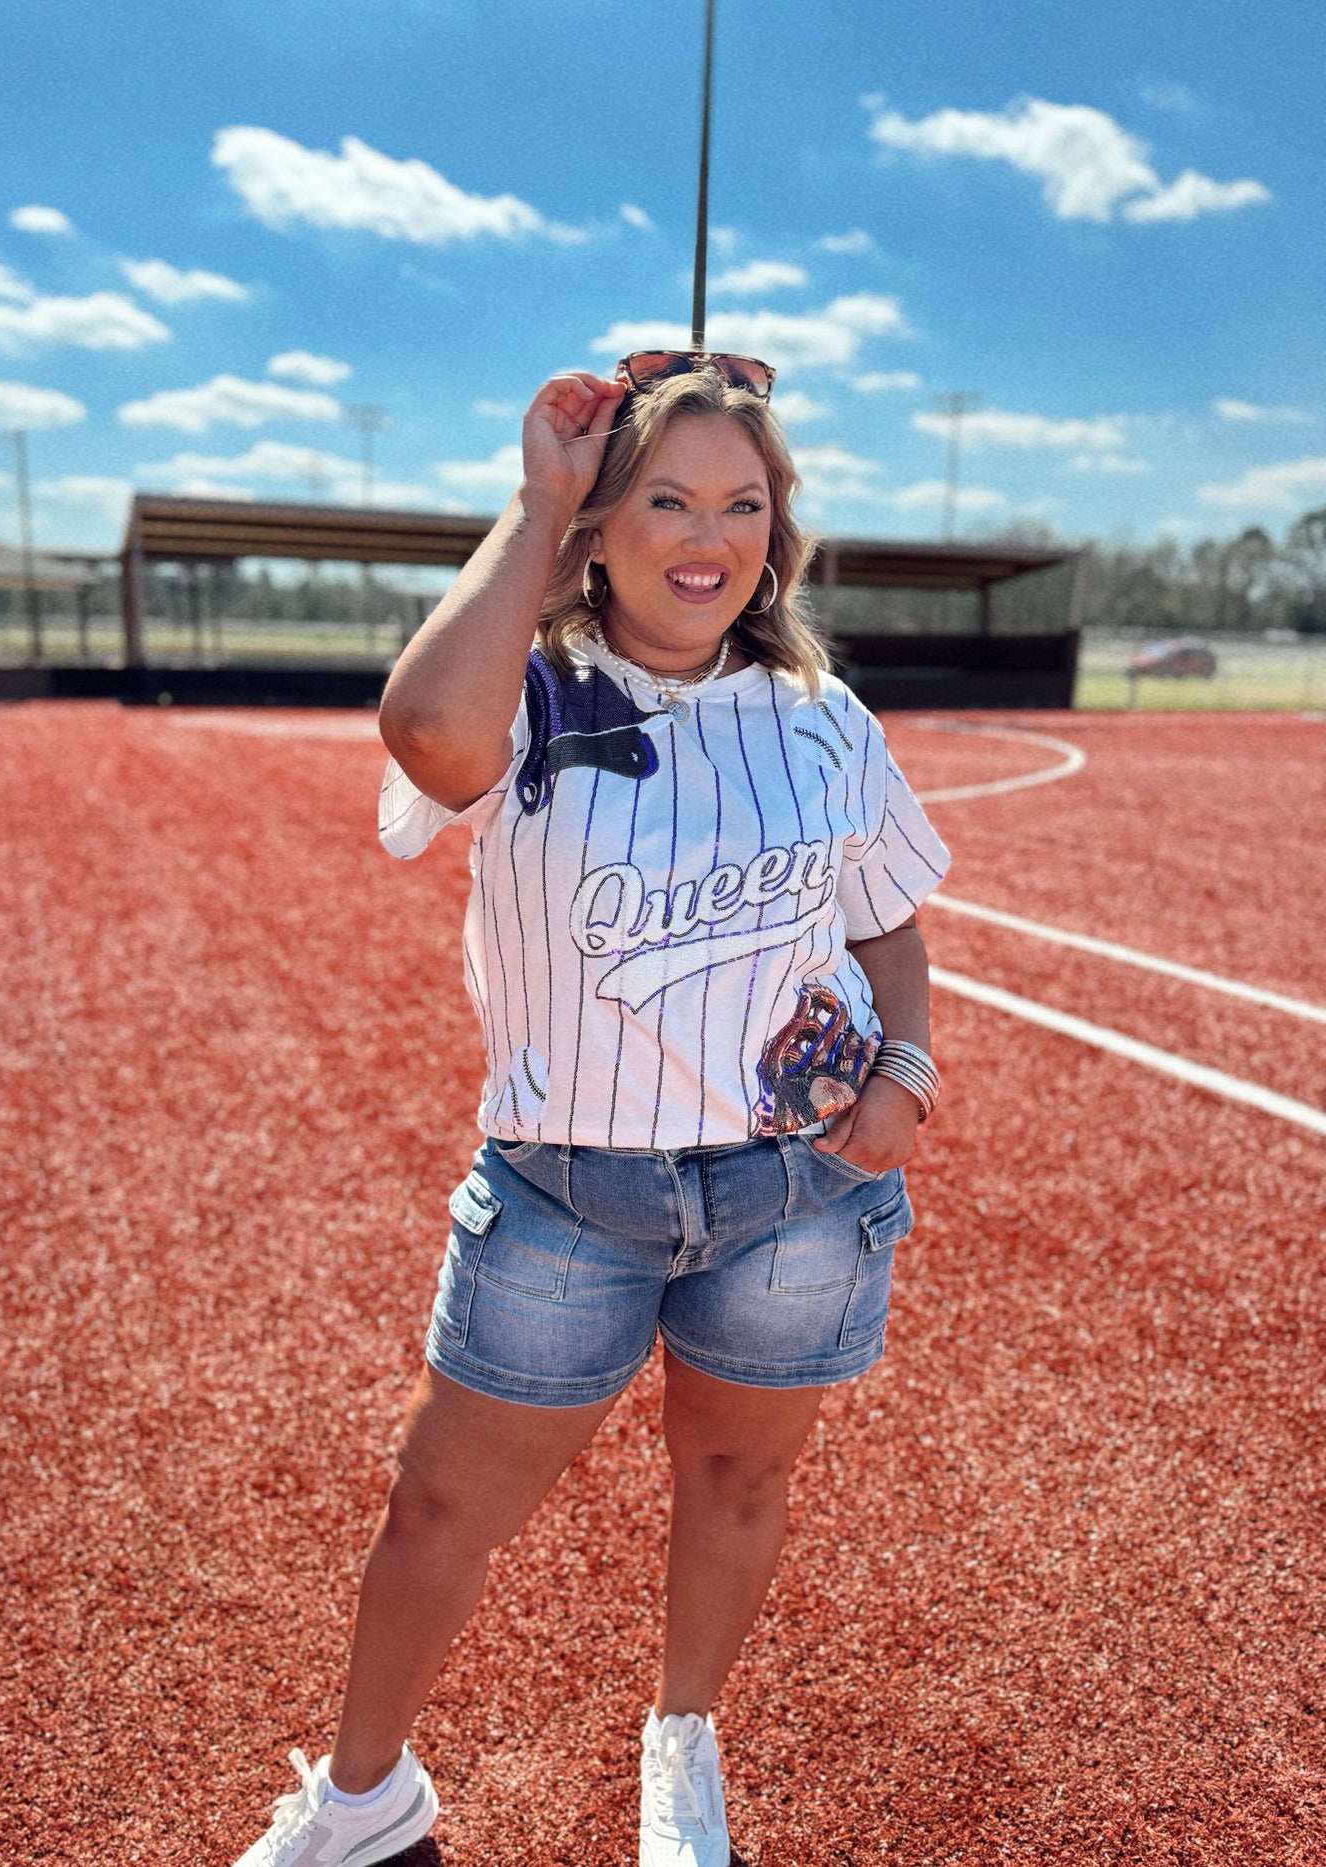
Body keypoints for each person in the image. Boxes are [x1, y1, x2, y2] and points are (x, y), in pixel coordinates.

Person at [232, 351, 950, 1867]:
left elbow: (885, 912)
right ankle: (364, 1804)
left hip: (797, 1195)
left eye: (743, 501)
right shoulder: (532, 690)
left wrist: (910, 1066)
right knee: (439, 1510)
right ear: (602, 528)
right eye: (667, 497)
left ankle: (680, 1758)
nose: (711, 533)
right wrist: (536, 493)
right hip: (569, 1190)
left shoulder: (822, 714)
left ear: (779, 529)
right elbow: (427, 737)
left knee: (738, 1479)